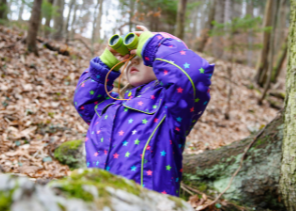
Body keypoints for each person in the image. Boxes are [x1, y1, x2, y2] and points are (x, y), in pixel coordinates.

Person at [73, 26, 214, 196]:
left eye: (143, 57)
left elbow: (191, 74)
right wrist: (106, 64)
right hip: (100, 201)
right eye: (131, 58)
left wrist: (153, 44)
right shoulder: (112, 106)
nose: (134, 61)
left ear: (164, 66)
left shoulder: (170, 108)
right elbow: (85, 101)